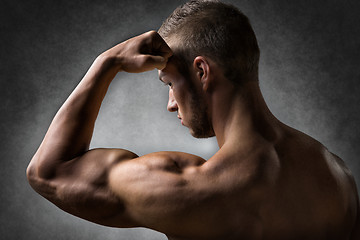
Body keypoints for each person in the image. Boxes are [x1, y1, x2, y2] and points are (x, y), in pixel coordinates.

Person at [27, 0, 359, 239]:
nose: (171, 104)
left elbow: (49, 172)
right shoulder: (337, 177)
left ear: (201, 71)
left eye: (170, 83)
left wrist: (107, 62)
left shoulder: (191, 188)